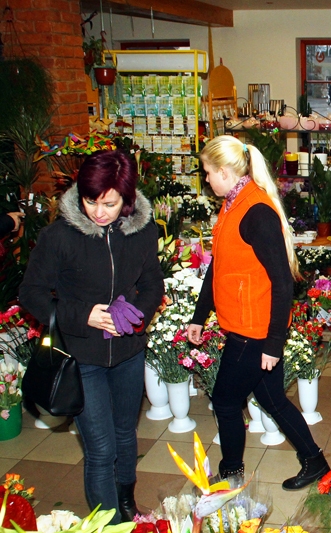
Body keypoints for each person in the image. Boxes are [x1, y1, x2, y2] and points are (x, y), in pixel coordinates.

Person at [19, 150, 164, 523]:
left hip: (128, 352)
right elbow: (31, 293)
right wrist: (84, 315)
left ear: (127, 199)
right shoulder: (60, 235)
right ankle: (109, 524)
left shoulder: (143, 231)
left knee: (125, 434)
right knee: (101, 448)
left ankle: (126, 503)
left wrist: (137, 318)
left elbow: (152, 284)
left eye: (110, 204)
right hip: (81, 356)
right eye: (90, 201)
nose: (99, 212)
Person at [187, 135, 330, 489]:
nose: (206, 179)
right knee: (272, 399)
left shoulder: (256, 211)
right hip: (246, 325)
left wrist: (273, 343)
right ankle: (316, 463)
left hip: (255, 331)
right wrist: (197, 316)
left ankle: (231, 473)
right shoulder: (232, 204)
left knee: (224, 400)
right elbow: (217, 268)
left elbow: (283, 283)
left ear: (224, 171)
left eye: (207, 172)